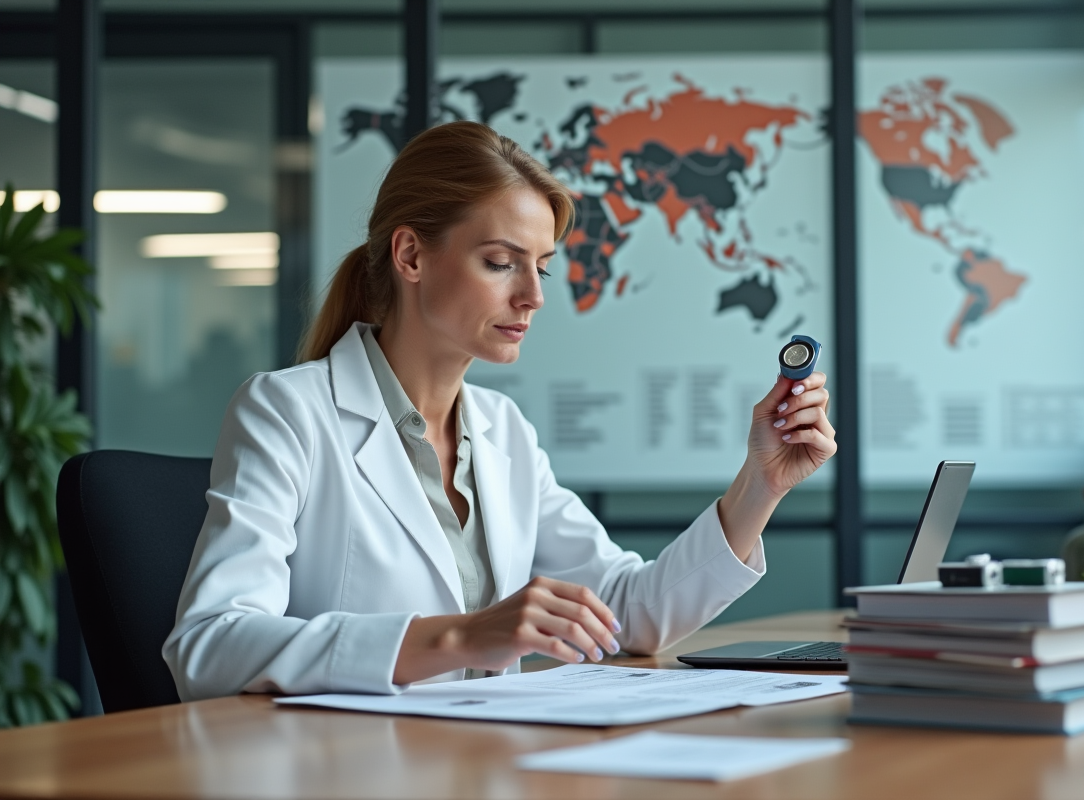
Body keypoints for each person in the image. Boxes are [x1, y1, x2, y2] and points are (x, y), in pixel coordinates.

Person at [163, 121, 836, 701]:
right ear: (411, 255)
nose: (532, 296)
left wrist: (761, 483)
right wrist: (462, 636)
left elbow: (629, 616)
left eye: (540, 267)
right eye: (500, 262)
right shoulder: (287, 411)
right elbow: (210, 645)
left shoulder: (501, 432)